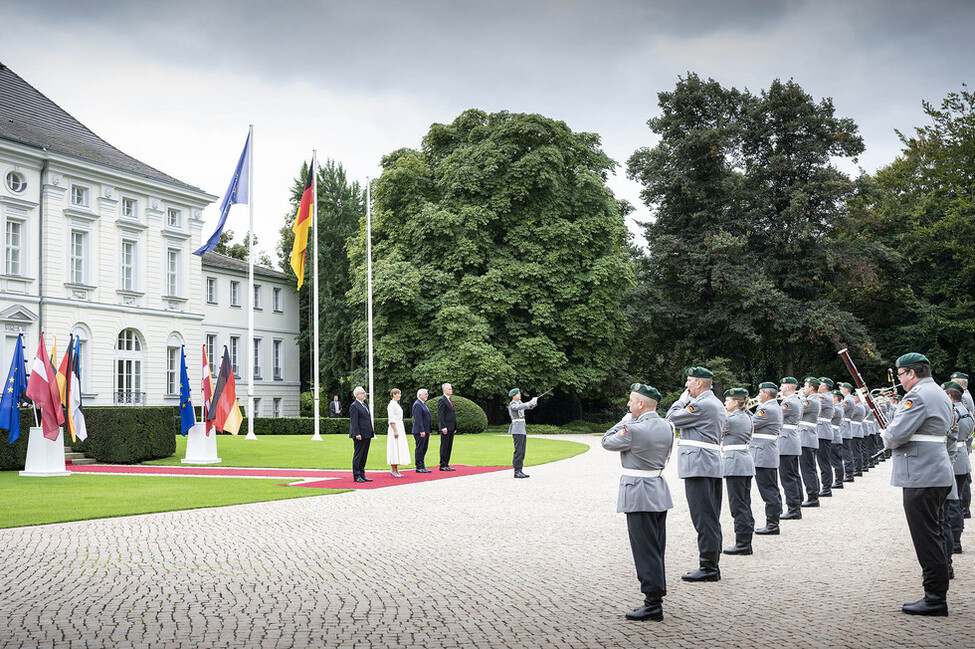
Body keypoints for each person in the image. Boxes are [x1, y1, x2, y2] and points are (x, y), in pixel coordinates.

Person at [881, 353, 954, 616]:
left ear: (911, 373)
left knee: (925, 538)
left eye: (900, 375)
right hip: (934, 471)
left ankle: (935, 597)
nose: (899, 380)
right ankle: (937, 590)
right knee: (934, 533)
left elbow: (896, 435)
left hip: (922, 474)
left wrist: (885, 434)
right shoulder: (938, 391)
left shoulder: (918, 395)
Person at [601, 383, 676, 622]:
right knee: (656, 548)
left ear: (641, 404)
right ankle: (656, 595)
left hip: (638, 494)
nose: (628, 405)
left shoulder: (633, 429)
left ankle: (653, 603)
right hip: (658, 491)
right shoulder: (668, 425)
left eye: (631, 401)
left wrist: (626, 420)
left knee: (644, 550)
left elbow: (606, 441)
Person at [667, 366, 726, 582]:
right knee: (710, 517)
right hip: (706, 464)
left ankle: (708, 567)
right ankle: (711, 565)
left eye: (689, 381)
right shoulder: (713, 403)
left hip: (699, 465)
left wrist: (682, 400)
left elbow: (671, 418)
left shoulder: (701, 405)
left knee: (703, 518)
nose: (686, 385)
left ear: (699, 383)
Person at [722, 388, 755, 555]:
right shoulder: (747, 416)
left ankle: (742, 543)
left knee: (738, 504)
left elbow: (716, 431)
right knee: (744, 502)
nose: (725, 404)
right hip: (744, 461)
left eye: (727, 401)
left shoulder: (732, 419)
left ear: (735, 402)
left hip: (735, 462)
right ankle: (745, 539)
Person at [751, 382, 783, 535]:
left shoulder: (767, 409)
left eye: (760, 392)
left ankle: (772, 524)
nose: (758, 395)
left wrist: (740, 411)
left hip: (763, 454)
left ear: (766, 393)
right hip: (765, 452)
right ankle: (773, 522)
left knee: (768, 490)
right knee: (771, 489)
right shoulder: (771, 407)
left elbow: (750, 424)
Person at [944, 381, 972, 554]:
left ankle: (954, 542)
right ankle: (956, 540)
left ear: (949, 396)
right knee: (958, 501)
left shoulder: (953, 412)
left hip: (953, 456)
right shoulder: (967, 411)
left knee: (952, 503)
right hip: (963, 455)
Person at [778, 377, 804, 521]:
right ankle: (797, 502)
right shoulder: (796, 401)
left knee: (787, 476)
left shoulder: (789, 402)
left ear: (788, 387)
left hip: (787, 441)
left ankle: (793, 508)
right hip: (791, 439)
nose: (780, 388)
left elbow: (775, 416)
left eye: (782, 386)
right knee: (794, 474)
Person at [950, 372, 973, 518]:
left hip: (959, 443)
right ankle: (964, 509)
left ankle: (964, 509)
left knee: (961, 482)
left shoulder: (963, 398)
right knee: (963, 478)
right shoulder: (967, 396)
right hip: (963, 442)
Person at [798, 377, 822, 507]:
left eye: (805, 386)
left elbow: (799, 409)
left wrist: (801, 396)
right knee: (809, 468)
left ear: (811, 388)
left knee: (807, 469)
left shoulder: (811, 401)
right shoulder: (812, 400)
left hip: (806, 438)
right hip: (807, 437)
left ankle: (813, 496)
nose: (803, 389)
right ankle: (813, 494)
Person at [507, 388, 538, 479]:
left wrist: (533, 402)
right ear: (514, 396)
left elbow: (529, 407)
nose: (520, 395)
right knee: (518, 451)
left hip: (522, 429)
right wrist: (529, 402)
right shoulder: (513, 404)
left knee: (522, 451)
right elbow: (517, 408)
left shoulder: (520, 403)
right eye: (518, 394)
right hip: (517, 429)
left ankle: (520, 470)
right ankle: (516, 471)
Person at [816, 377, 837, 495]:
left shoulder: (823, 397)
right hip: (823, 430)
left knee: (823, 461)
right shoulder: (827, 397)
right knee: (823, 460)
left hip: (823, 431)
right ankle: (826, 486)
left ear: (824, 386)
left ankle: (826, 487)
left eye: (819, 384)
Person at [349, 386, 375, 483]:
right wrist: (357, 433)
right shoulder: (354, 406)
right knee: (358, 455)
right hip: (359, 434)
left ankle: (362, 474)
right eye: (362, 393)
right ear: (357, 395)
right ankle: (356, 475)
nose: (364, 394)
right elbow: (354, 421)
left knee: (364, 455)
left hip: (367, 433)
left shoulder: (364, 405)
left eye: (364, 392)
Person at [386, 388, 410, 477]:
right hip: (394, 428)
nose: (399, 395)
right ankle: (393, 470)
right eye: (397, 394)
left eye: (400, 394)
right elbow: (391, 419)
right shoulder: (391, 405)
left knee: (398, 447)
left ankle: (396, 469)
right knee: (394, 447)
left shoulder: (396, 404)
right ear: (393, 395)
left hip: (400, 426)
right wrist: (395, 430)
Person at [411, 388, 432, 473]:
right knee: (420, 448)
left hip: (425, 430)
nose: (427, 395)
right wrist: (421, 431)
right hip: (420, 431)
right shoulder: (417, 404)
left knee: (424, 448)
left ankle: (422, 465)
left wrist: (429, 430)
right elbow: (418, 419)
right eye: (425, 394)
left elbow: (427, 419)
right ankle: (419, 466)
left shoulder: (423, 404)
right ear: (420, 395)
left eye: (427, 394)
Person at [839, 383, 857, 481]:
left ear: (846, 389)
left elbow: (840, 410)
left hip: (845, 426)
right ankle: (849, 473)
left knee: (846, 452)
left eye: (841, 388)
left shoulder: (848, 400)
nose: (840, 390)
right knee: (846, 451)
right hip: (845, 425)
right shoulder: (849, 399)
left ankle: (849, 474)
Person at [437, 383, 457, 471]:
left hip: (451, 427)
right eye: (449, 389)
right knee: (444, 446)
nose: (451, 390)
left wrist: (455, 426)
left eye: (451, 389)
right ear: (444, 390)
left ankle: (447, 463)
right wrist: (443, 427)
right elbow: (441, 415)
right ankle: (442, 464)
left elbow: (452, 414)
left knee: (449, 446)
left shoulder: (450, 400)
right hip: (446, 427)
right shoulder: (442, 400)